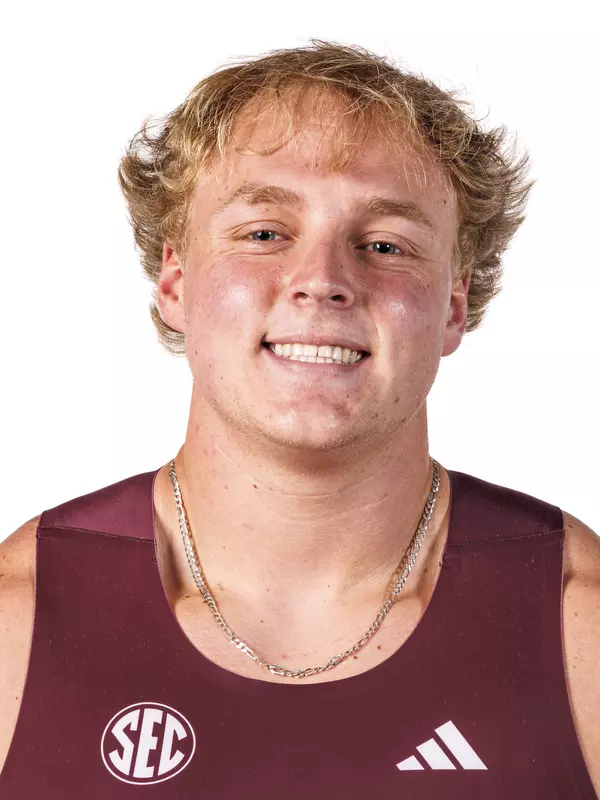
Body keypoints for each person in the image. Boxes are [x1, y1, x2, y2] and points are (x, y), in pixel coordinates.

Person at [0, 38, 598, 798]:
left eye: (385, 243)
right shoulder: (17, 624)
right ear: (175, 280)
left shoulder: (578, 623)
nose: (321, 281)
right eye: (264, 234)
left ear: (453, 304)